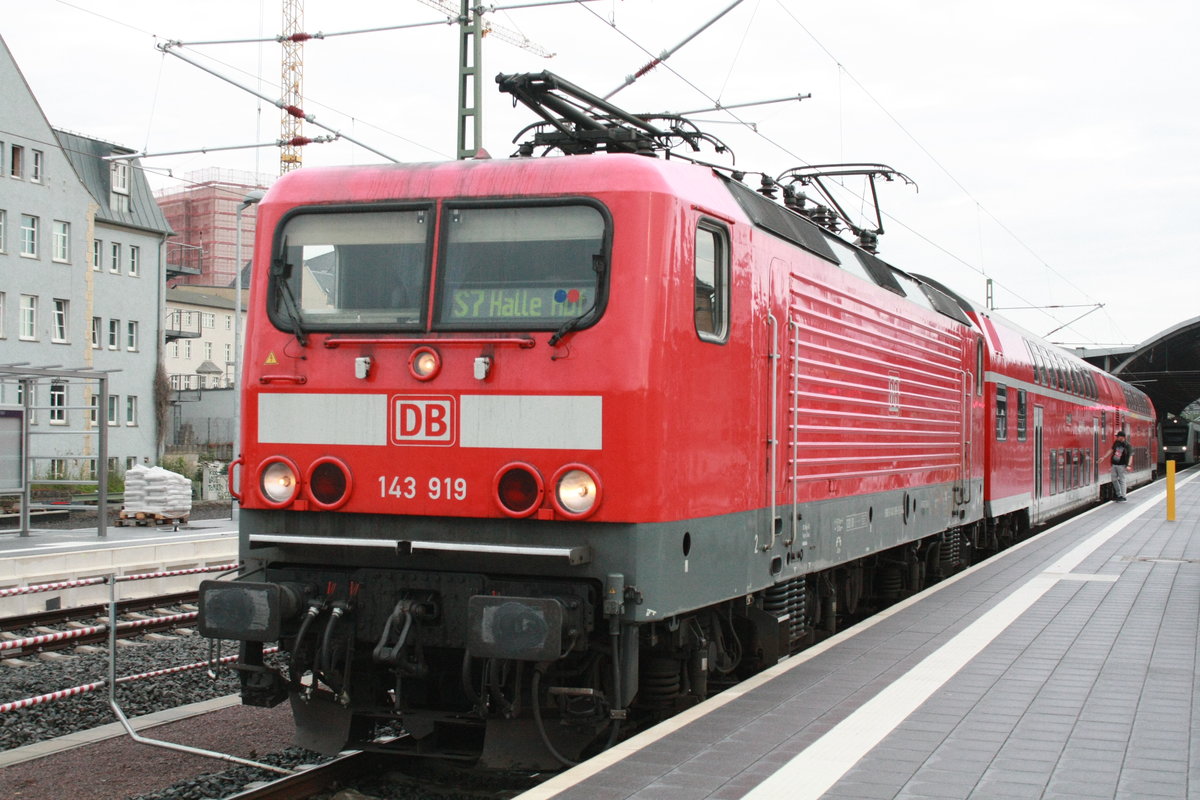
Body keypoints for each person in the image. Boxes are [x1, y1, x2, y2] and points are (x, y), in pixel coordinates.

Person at [1109, 431, 1132, 501]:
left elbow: (1130, 456)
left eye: (1118, 436)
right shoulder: (1116, 443)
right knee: (1114, 479)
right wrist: (1103, 457)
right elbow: (1111, 450)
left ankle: (1123, 496)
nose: (1117, 437)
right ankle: (1118, 494)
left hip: (1122, 465)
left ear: (1122, 437)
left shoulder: (1127, 445)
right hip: (1114, 464)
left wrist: (1128, 465)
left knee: (1122, 480)